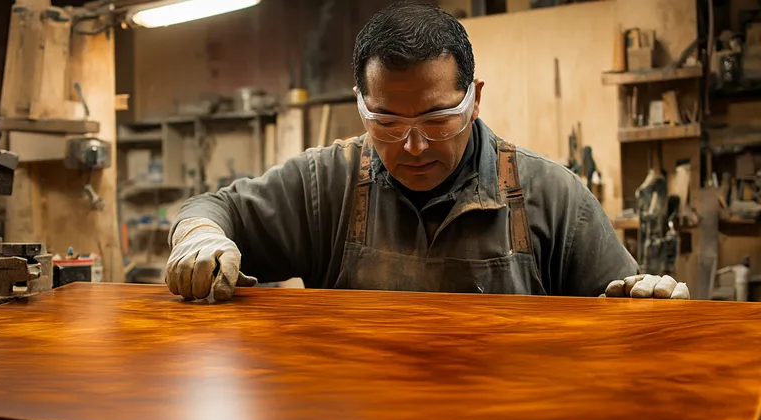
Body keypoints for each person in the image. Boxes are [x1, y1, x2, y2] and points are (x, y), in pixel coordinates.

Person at [165, 1, 688, 301]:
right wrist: (200, 239)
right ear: (361, 106)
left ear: (474, 98)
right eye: (387, 123)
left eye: (437, 120)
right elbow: (214, 207)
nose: (413, 145)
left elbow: (626, 326)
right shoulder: (328, 184)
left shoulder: (554, 197)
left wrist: (647, 308)